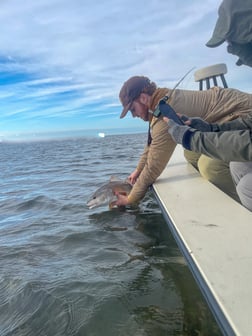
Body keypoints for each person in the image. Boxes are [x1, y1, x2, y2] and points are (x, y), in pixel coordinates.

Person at [115, 75, 252, 207]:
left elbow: (154, 166)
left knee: (210, 167)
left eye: (133, 109)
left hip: (243, 117)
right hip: (225, 118)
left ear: (143, 98)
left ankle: (239, 203)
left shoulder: (167, 109)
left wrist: (130, 199)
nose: (133, 115)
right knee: (191, 154)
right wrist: (138, 170)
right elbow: (153, 142)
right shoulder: (161, 100)